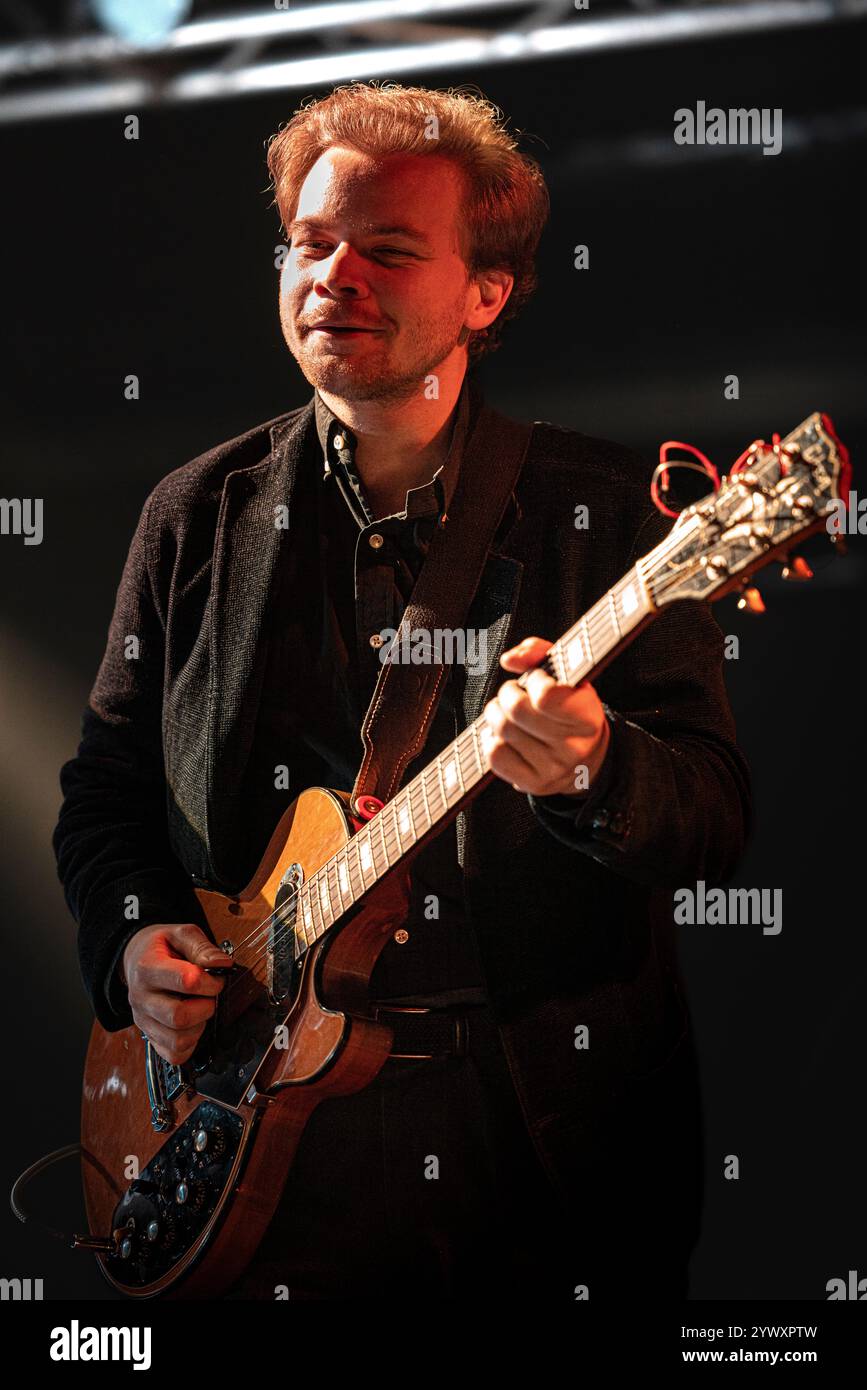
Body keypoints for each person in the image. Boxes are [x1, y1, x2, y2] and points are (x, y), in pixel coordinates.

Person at [53, 82, 750, 1301]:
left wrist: (596, 767)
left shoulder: (609, 511)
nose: (333, 276)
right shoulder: (193, 514)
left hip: (531, 1145)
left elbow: (713, 819)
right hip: (255, 1138)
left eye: (385, 249)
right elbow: (103, 795)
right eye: (312, 244)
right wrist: (129, 943)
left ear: (489, 292)